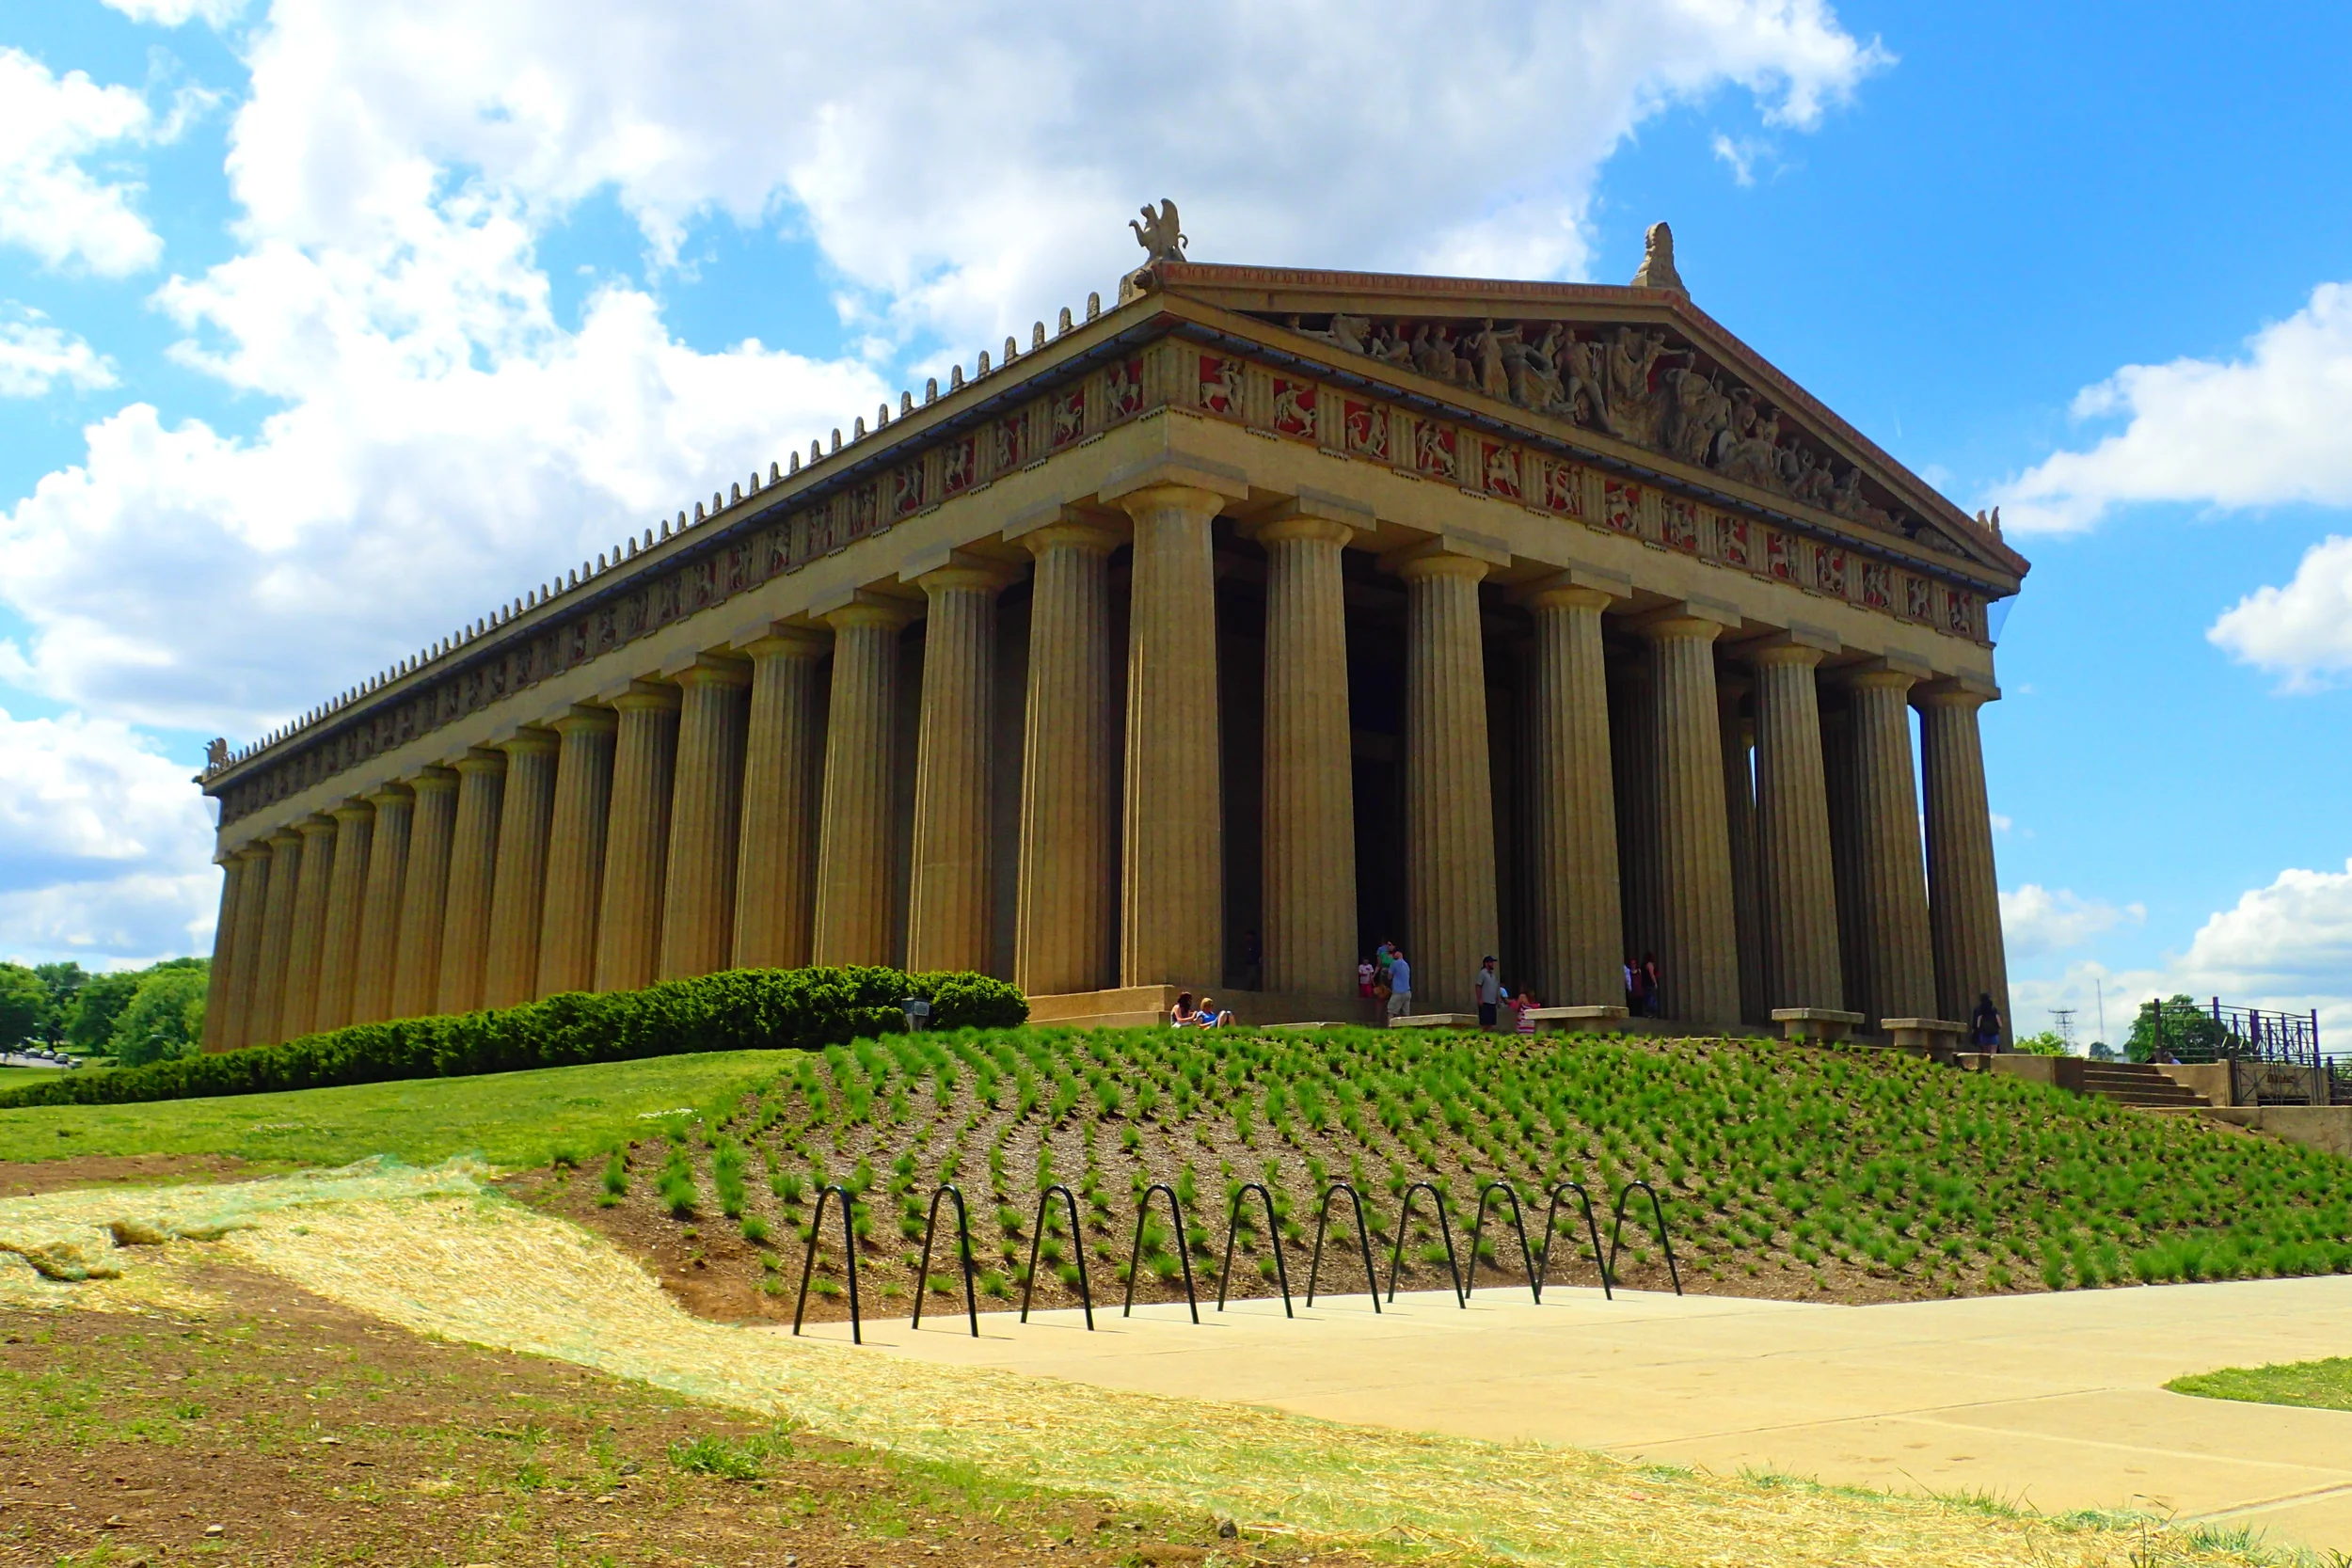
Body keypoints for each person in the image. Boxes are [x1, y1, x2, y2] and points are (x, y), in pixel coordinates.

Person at [1474, 956, 1503, 1029]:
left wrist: (1498, 1000)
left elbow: (1496, 988)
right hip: (1485, 1002)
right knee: (1485, 1022)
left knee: (1491, 1022)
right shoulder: (1482, 973)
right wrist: (1479, 999)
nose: (1492, 964)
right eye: (1491, 962)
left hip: (1492, 1002)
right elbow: (1478, 986)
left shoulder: (1493, 975)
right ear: (1486, 963)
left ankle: (1488, 1035)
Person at [1387, 950, 1412, 1022]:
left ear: (1399, 953)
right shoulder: (1406, 965)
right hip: (1407, 992)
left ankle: (1390, 1029)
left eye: (1394, 953)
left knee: (1391, 1011)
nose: (1393, 955)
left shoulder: (1394, 963)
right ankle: (1406, 1029)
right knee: (1406, 1014)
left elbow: (1389, 976)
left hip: (1398, 992)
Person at [1640, 953, 1662, 1018]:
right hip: (1649, 984)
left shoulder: (1643, 965)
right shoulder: (1650, 964)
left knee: (1647, 998)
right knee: (1651, 998)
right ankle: (1652, 1013)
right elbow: (1652, 975)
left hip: (1644, 984)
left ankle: (1648, 1013)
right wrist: (1655, 983)